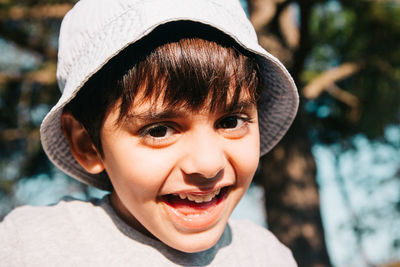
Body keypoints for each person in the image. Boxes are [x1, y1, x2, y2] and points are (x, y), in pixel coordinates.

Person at [0, 0, 299, 265]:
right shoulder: (30, 246)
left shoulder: (267, 255)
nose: (208, 165)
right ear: (87, 144)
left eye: (231, 122)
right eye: (159, 130)